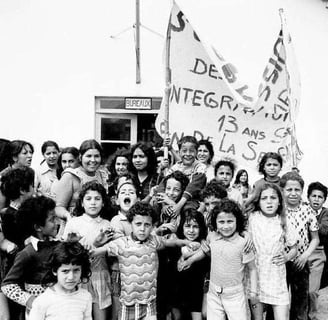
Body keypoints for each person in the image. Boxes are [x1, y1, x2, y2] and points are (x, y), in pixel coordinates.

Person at [92, 202, 193, 320]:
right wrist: (95, 244)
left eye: (147, 225)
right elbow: (98, 252)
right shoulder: (121, 243)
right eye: (138, 224)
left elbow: (171, 242)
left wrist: (187, 242)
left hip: (149, 302)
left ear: (153, 226)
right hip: (128, 303)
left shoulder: (154, 241)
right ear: (131, 223)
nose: (142, 229)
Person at [179, 199, 258, 320]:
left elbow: (252, 269)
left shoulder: (243, 244)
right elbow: (204, 252)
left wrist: (253, 292)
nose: (226, 226)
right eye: (221, 222)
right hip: (214, 293)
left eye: (230, 221)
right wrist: (189, 261)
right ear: (215, 223)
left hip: (235, 295)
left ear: (237, 221)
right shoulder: (212, 237)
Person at [1, 196, 59, 319]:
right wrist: (30, 300)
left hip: (58, 307)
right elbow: (7, 285)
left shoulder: (58, 245)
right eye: (52, 219)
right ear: (38, 227)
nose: (57, 223)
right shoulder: (28, 252)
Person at [62, 181, 113, 320]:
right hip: (78, 276)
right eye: (88, 199)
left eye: (97, 199)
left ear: (103, 203)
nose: (93, 203)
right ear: (82, 203)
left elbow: (111, 250)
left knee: (100, 315)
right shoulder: (73, 223)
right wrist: (74, 243)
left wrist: (100, 246)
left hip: (100, 275)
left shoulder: (107, 224)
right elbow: (65, 252)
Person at [247, 183, 297, 320]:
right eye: (264, 198)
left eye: (273, 198)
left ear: (280, 201)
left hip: (276, 277)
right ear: (258, 201)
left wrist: (286, 257)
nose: (269, 201)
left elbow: (294, 248)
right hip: (256, 277)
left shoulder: (284, 220)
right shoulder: (252, 218)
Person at [280, 171, 320, 320]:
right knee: (278, 303)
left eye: (297, 190)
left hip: (300, 262)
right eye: (289, 189)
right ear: (282, 190)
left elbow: (315, 239)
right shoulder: (277, 210)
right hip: (281, 262)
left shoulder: (308, 210)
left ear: (302, 191)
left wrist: (304, 256)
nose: (293, 193)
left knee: (300, 303)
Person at [55, 139, 108, 234]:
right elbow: (58, 207)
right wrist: (68, 216)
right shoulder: (70, 176)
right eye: (88, 156)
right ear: (80, 157)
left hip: (98, 229)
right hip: (74, 229)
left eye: (96, 156)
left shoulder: (102, 176)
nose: (93, 160)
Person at [29, 241, 92, 320]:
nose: (71, 277)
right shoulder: (42, 301)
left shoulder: (85, 297)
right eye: (65, 271)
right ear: (55, 271)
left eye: (76, 270)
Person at [171, 209, 209, 320]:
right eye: (187, 226)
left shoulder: (205, 247)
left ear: (201, 228)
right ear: (182, 227)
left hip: (197, 296)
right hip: (177, 297)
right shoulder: (175, 244)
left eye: (195, 227)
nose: (191, 231)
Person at [164, 136, 207, 216]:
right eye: (184, 151)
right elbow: (163, 184)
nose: (188, 154)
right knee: (156, 203)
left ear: (196, 152)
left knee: (188, 210)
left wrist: (178, 206)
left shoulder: (200, 167)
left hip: (191, 201)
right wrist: (165, 204)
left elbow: (193, 187)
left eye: (191, 151)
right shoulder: (175, 167)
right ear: (179, 152)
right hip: (174, 197)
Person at [307, 181, 328, 320]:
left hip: (317, 254)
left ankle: (312, 316)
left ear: (324, 200)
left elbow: (324, 230)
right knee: (298, 291)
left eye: (320, 197)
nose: (316, 199)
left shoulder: (326, 213)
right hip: (300, 252)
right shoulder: (301, 209)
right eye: (313, 196)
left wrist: (311, 218)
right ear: (308, 197)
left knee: (312, 291)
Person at [152, 171, 189, 236]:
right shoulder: (157, 204)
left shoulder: (186, 207)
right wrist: (158, 230)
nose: (171, 193)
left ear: (182, 192)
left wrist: (172, 203)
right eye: (168, 188)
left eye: (176, 190)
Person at [0, 140, 34, 210]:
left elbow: (31, 192)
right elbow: (1, 208)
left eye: (31, 152)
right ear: (14, 157)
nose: (30, 156)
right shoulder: (4, 175)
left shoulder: (30, 172)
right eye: (25, 153)